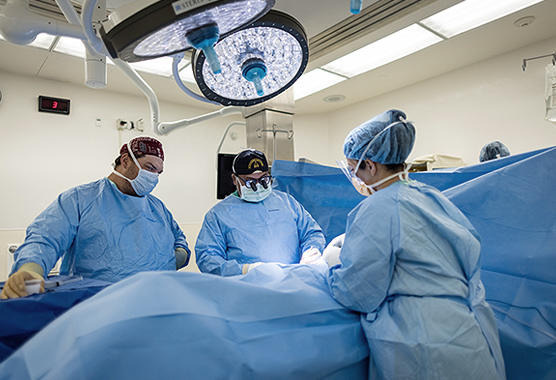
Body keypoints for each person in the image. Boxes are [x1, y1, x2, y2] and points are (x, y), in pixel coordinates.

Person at [323, 110, 506, 379]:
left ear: (371, 166)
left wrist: (333, 264)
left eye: (354, 169)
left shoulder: (376, 208)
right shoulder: (432, 197)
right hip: (470, 337)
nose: (355, 178)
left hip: (423, 346)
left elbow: (358, 292)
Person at [1, 136, 190, 299]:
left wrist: (169, 261)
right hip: (94, 304)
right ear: (125, 161)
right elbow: (45, 239)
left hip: (153, 300)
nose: (154, 176)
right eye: (149, 168)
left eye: (159, 172)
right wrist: (31, 270)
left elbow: (180, 242)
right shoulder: (80, 199)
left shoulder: (157, 207)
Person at [195, 149, 326, 276]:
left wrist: (311, 250)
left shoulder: (287, 202)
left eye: (263, 180)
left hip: (290, 281)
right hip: (246, 287)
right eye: (250, 182)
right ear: (235, 180)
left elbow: (311, 232)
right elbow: (207, 258)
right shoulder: (219, 214)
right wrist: (245, 270)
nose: (258, 186)